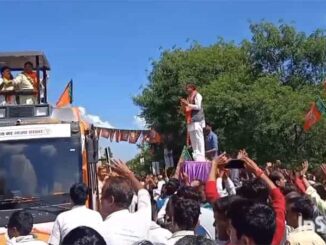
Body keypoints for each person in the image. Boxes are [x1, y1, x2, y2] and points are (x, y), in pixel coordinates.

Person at [100, 160, 151, 245]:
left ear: (111, 200)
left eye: (102, 197)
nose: (100, 202)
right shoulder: (142, 219)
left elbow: (143, 193)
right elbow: (143, 193)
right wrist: (129, 174)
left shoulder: (100, 231)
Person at [180, 84, 205, 161]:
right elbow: (187, 110)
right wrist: (183, 105)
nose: (187, 89)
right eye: (186, 88)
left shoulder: (198, 95)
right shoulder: (188, 98)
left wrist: (187, 104)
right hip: (190, 121)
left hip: (197, 120)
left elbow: (198, 106)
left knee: (199, 138)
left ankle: (202, 156)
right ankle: (196, 156)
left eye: (188, 88)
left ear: (193, 88)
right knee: (193, 139)